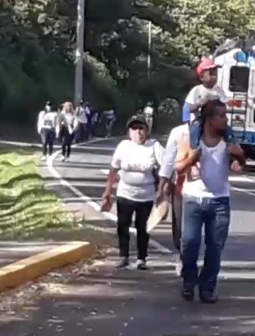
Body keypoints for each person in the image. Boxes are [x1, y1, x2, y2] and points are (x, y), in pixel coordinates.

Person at [174, 99, 245, 303]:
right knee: (189, 244)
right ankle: (188, 282)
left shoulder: (228, 141)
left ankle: (207, 287)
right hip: (193, 199)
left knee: (215, 246)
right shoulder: (192, 139)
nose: (226, 120)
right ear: (209, 119)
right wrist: (191, 160)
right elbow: (178, 168)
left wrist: (239, 160)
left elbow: (241, 162)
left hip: (220, 201)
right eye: (221, 116)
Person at [102, 117, 163, 269]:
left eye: (141, 128)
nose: (138, 132)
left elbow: (166, 168)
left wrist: (163, 190)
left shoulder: (154, 146)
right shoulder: (123, 146)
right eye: (134, 129)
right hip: (125, 193)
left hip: (146, 194)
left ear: (147, 131)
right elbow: (113, 169)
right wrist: (107, 192)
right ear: (129, 132)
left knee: (143, 227)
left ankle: (142, 258)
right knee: (122, 225)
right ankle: (124, 256)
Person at [184, 58, 233, 177]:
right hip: (201, 118)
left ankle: (232, 151)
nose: (214, 76)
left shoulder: (218, 90)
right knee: (195, 128)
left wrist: (234, 102)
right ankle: (194, 153)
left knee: (228, 129)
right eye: (210, 73)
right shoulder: (197, 91)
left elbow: (225, 101)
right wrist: (199, 104)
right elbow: (187, 108)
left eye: (215, 73)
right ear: (201, 77)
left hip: (215, 119)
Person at [157, 121, 192, 273]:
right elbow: (168, 161)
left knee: (194, 232)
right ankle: (182, 255)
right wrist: (162, 187)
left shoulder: (215, 130)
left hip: (205, 192)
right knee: (178, 227)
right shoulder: (179, 132)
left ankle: (190, 262)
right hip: (180, 186)